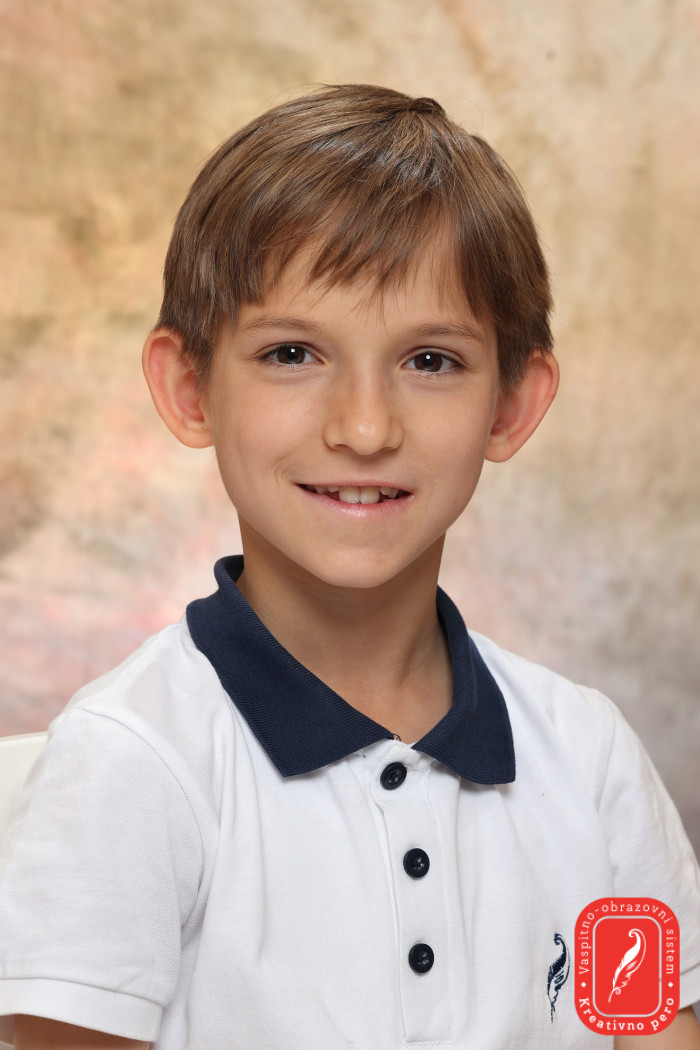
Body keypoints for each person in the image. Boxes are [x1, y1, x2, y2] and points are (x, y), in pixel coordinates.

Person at [0, 84, 698, 1050]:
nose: (364, 428)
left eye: (431, 361)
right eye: (293, 353)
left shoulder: (589, 757)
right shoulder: (133, 761)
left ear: (512, 403)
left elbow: (654, 1034)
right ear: (190, 387)